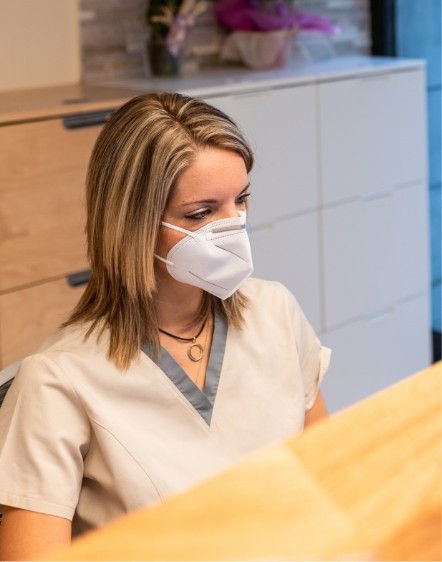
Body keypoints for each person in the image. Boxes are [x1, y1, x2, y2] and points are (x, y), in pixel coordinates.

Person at [0, 92, 330, 560]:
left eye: (241, 200)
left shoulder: (275, 312)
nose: (234, 227)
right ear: (133, 224)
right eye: (201, 213)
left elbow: (333, 479)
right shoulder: (56, 382)